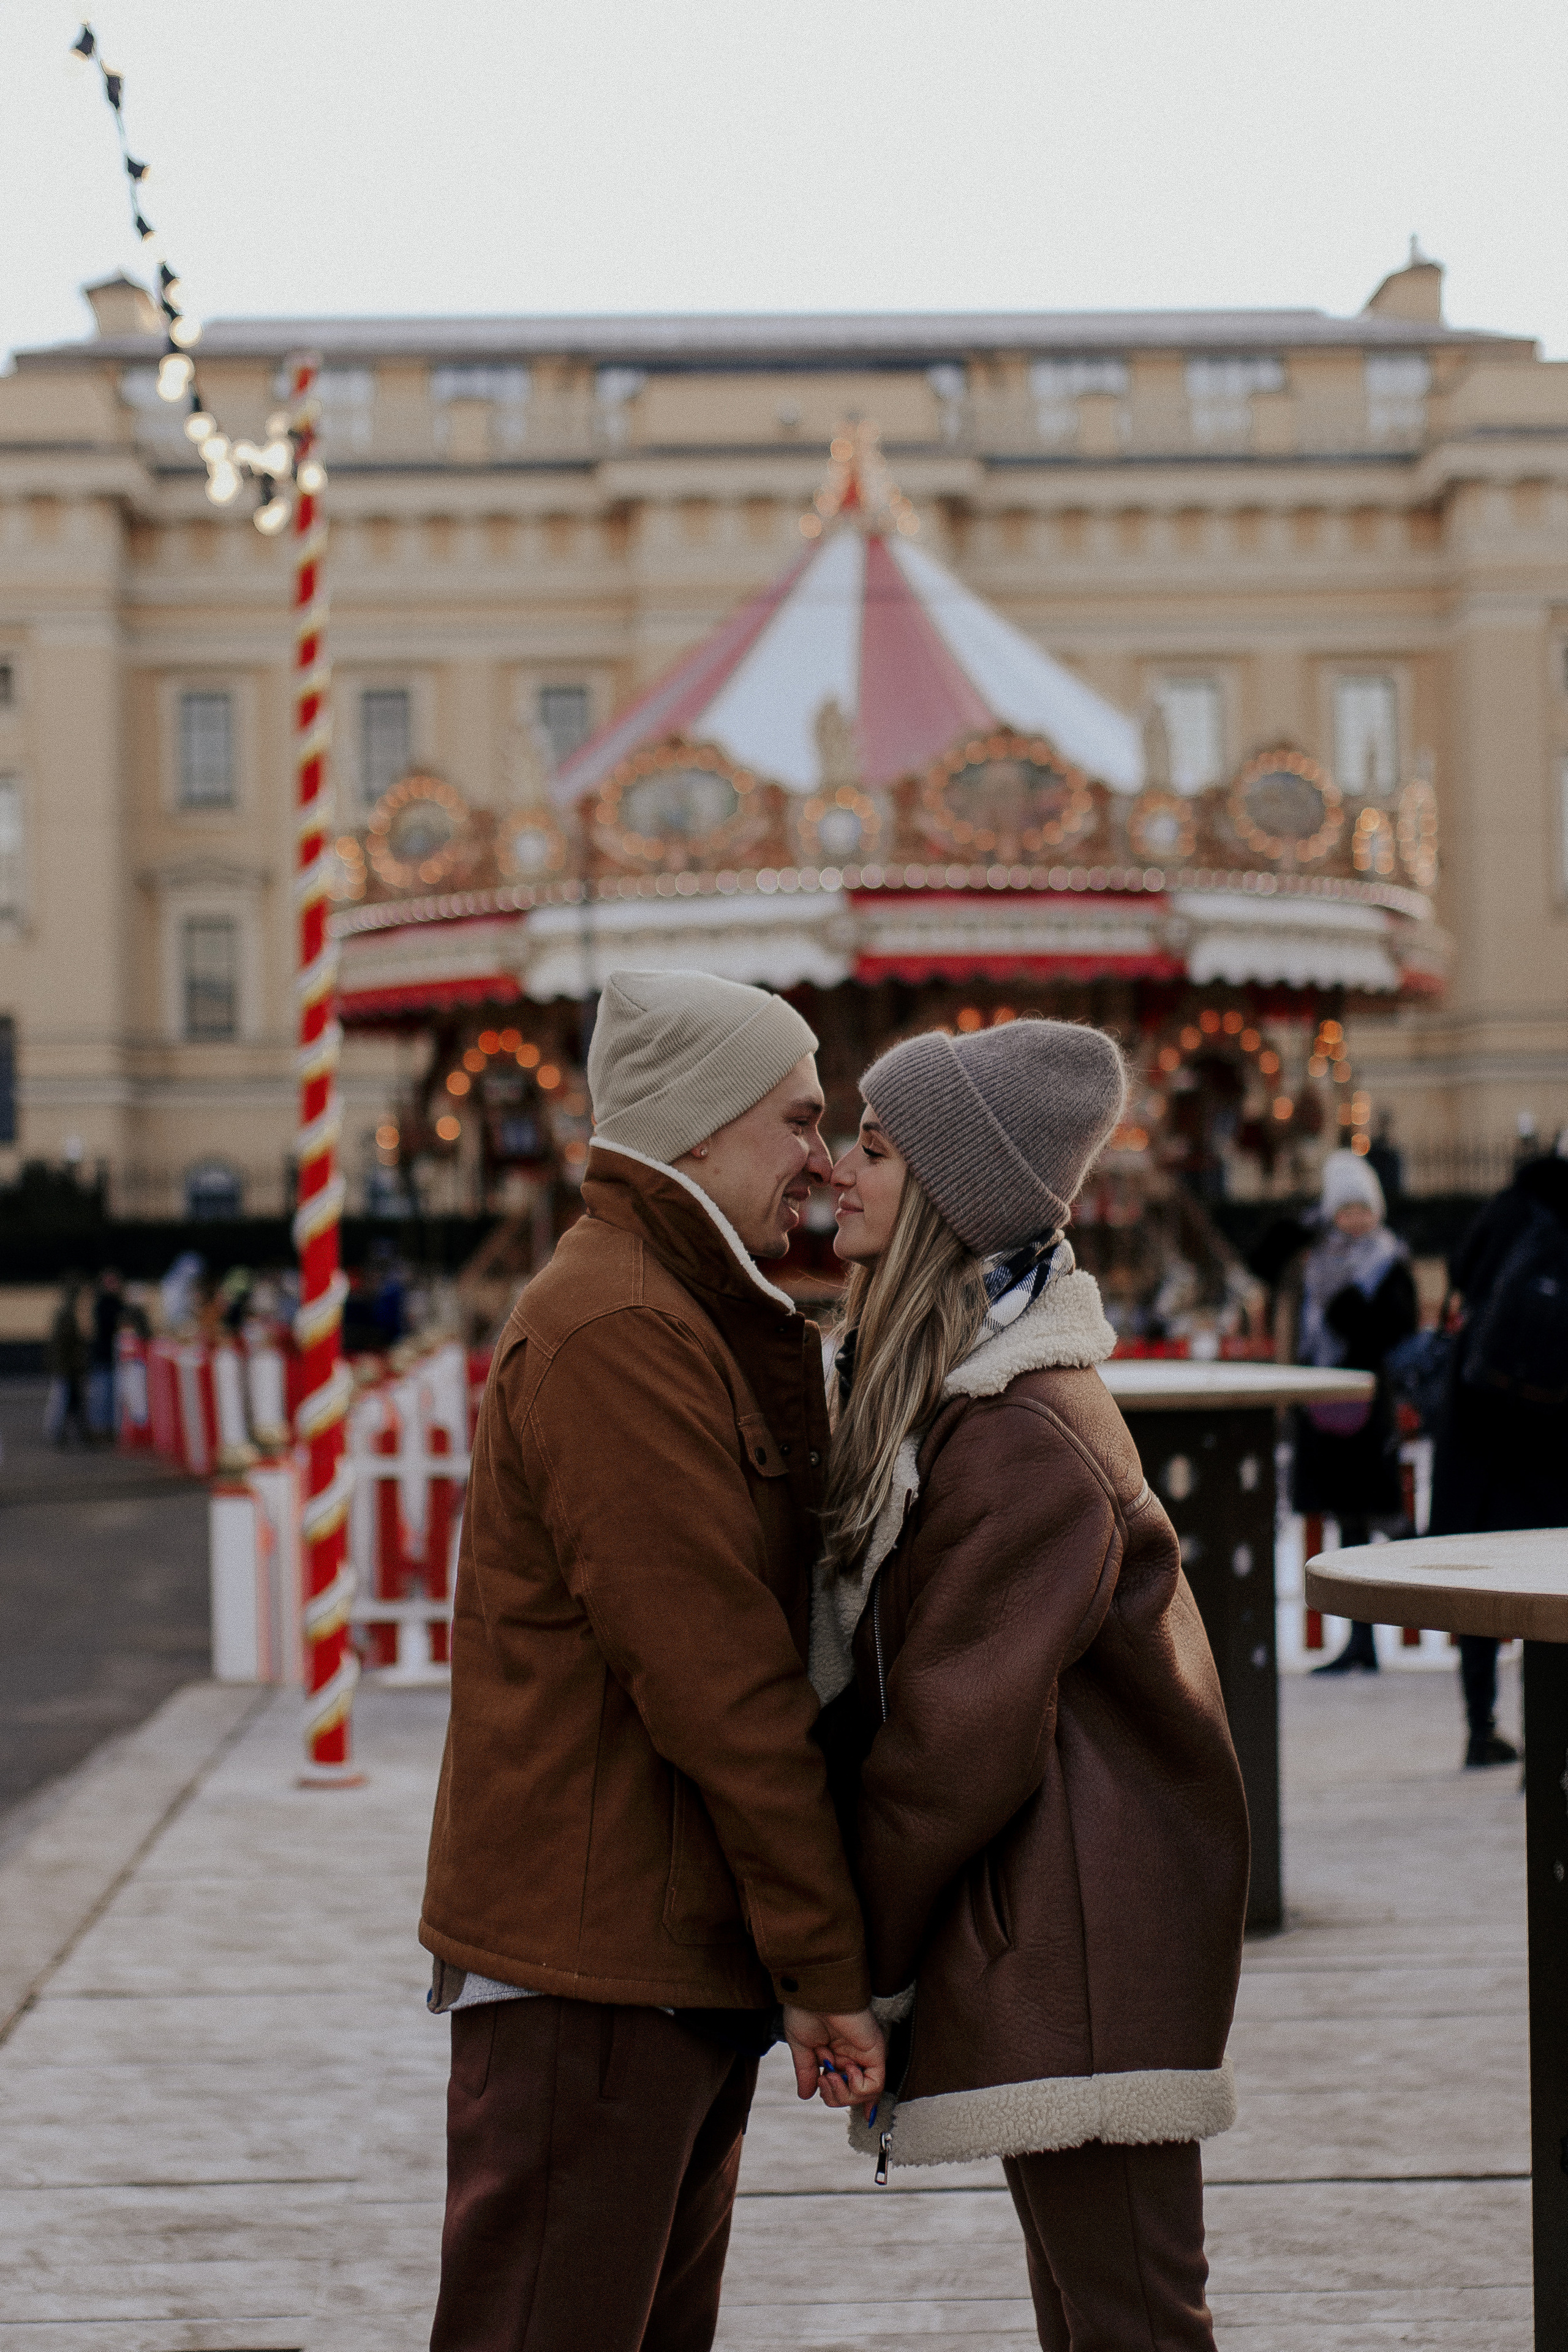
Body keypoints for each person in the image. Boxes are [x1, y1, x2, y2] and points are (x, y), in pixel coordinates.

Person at [420, 969, 884, 2352]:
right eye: (797, 1116)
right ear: (696, 1124)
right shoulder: (621, 1330)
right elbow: (724, 1691)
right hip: (595, 1974)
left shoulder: (671, 1311)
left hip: (648, 1962)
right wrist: (823, 1963)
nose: (820, 1153)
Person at [811, 1018, 1250, 2352]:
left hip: (1085, 1938)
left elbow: (954, 1741)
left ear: (949, 1195)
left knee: (1128, 2319)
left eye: (876, 1150)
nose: (840, 1167)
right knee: (1096, 2314)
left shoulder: (1011, 1430)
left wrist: (863, 1969)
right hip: (1067, 1927)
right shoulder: (965, 1399)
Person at [1429, 1133, 1568, 1766]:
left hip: (1474, 1432)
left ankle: (1478, 1724)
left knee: (1481, 1584)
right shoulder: (1556, 1223)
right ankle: (1550, 1741)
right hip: (1543, 1438)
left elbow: (1460, 1281)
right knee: (1551, 1587)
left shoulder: (1504, 1210)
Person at [1285, 1151, 1418, 1675]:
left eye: (1363, 1208)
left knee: (1380, 1519)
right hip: (1326, 1412)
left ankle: (1432, 1592)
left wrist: (1342, 1301)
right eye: (1345, 1210)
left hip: (1368, 1411)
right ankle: (1359, 1641)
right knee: (1348, 1525)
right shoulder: (1316, 1261)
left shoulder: (1390, 1262)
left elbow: (1393, 1333)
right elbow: (1265, 1258)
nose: (1356, 1220)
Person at [43, 1276, 89, 1447]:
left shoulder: (65, 1313)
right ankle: (62, 1435)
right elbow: (65, 1346)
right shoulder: (67, 1315)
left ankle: (73, 1435)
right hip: (68, 1369)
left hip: (67, 1368)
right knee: (65, 1402)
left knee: (69, 1402)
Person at [86, 1267, 123, 1441]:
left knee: (109, 1395)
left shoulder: (113, 1303)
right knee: (102, 1395)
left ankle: (106, 1429)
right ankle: (100, 1429)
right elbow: (108, 1325)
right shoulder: (104, 1304)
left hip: (111, 1356)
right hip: (104, 1356)